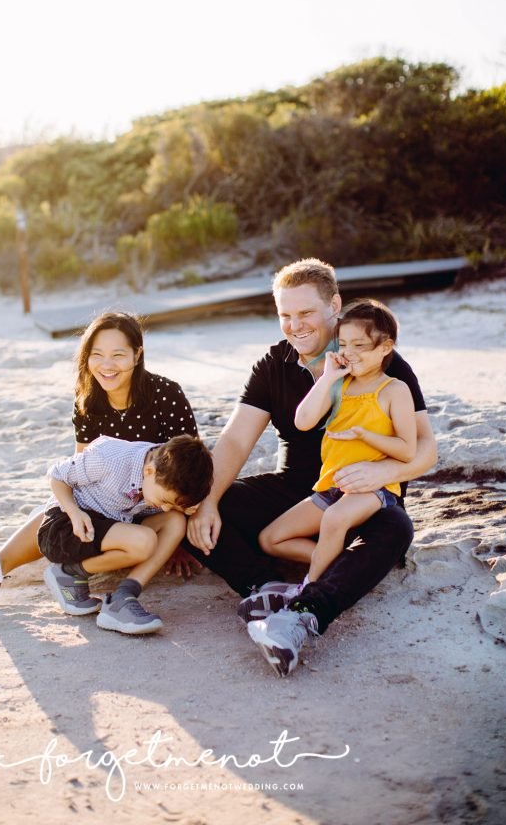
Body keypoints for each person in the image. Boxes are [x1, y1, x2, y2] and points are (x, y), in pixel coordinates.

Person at [186, 258, 437, 677]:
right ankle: (266, 588)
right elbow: (234, 440)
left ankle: (306, 613)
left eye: (305, 312)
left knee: (396, 531)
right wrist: (208, 501)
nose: (295, 325)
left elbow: (427, 448)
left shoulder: (380, 361)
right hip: (299, 490)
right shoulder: (274, 364)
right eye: (285, 315)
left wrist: (384, 474)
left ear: (334, 306)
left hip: (365, 493)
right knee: (195, 505)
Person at [0, 311, 199, 604]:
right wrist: (70, 512)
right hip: (107, 503)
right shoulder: (88, 401)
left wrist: (179, 543)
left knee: (175, 524)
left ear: (137, 355)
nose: (106, 365)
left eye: (118, 355)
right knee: (66, 505)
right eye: (97, 354)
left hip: (156, 505)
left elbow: (191, 468)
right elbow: (79, 473)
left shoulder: (166, 394)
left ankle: (127, 592)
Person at [256, 298, 416, 598]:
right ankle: (347, 561)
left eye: (359, 345)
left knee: (334, 520)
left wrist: (365, 435)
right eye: (343, 345)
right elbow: (303, 421)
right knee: (271, 538)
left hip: (373, 489)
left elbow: (407, 450)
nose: (349, 353)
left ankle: (309, 590)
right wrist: (329, 376)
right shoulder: (340, 385)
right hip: (331, 486)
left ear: (385, 347)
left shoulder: (394, 390)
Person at [39, 433, 212, 635]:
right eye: (164, 500)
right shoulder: (109, 458)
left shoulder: (166, 470)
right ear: (149, 470)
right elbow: (57, 476)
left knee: (175, 521)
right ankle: (69, 573)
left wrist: (184, 508)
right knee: (144, 542)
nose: (164, 508)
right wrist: (74, 512)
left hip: (109, 527)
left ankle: (122, 596)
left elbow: (171, 506)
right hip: (65, 528)